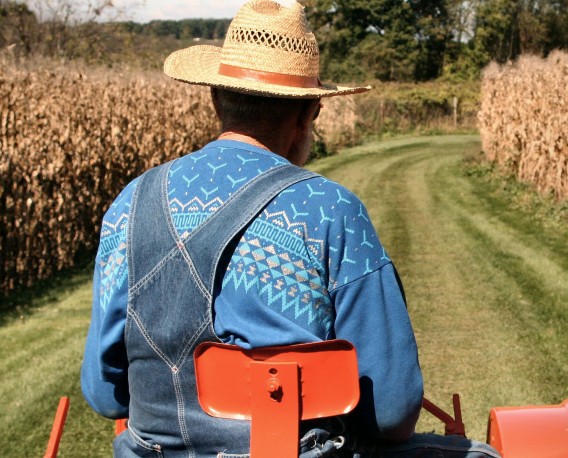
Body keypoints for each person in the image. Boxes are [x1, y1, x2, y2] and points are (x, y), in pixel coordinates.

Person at [80, 1, 499, 456]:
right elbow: (393, 411)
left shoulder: (131, 205)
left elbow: (105, 395)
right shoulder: (331, 212)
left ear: (217, 98)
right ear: (308, 114)